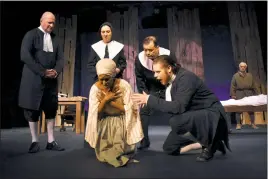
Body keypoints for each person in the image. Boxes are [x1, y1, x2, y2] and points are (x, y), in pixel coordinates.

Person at [132, 55, 231, 162]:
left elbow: (178, 107)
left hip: (212, 116)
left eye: (158, 72)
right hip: (195, 116)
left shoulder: (186, 78)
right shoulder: (172, 81)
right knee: (169, 148)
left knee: (176, 122)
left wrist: (149, 99)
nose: (155, 75)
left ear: (169, 69)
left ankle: (211, 143)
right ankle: (207, 141)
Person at [18, 12, 65, 153]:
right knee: (32, 110)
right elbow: (25, 55)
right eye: (49, 22)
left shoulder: (55, 39)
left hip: (51, 81)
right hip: (34, 79)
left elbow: (61, 59)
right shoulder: (31, 35)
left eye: (53, 23)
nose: (51, 25)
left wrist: (56, 71)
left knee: (51, 109)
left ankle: (51, 141)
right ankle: (34, 141)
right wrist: (42, 71)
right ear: (41, 21)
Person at [85, 59, 144, 168]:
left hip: (121, 121)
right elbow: (95, 113)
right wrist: (105, 100)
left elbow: (129, 108)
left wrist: (112, 102)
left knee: (119, 149)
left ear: (113, 76)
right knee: (105, 151)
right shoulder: (95, 89)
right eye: (101, 79)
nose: (104, 83)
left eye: (107, 79)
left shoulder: (124, 85)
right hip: (104, 122)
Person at [135, 36, 173, 150]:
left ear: (157, 48)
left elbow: (175, 73)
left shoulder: (168, 55)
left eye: (151, 50)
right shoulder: (140, 58)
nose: (148, 53)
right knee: (144, 111)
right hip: (152, 89)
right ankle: (144, 141)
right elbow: (139, 78)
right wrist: (144, 95)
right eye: (145, 50)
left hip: (169, 86)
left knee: (178, 109)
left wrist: (174, 90)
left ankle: (182, 137)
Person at [87, 22, 126, 89]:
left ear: (111, 33)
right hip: (99, 82)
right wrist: (100, 74)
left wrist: (118, 70)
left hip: (115, 82)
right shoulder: (95, 47)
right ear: (100, 33)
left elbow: (123, 63)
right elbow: (90, 65)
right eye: (103, 32)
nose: (105, 34)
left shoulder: (118, 46)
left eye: (108, 32)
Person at [230, 62, 259, 130]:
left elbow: (254, 85)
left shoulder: (250, 75)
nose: (242, 68)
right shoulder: (235, 76)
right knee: (238, 110)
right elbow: (232, 86)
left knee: (251, 109)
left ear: (246, 67)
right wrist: (233, 95)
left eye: (244, 66)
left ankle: (253, 124)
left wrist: (257, 94)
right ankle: (238, 124)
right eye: (241, 66)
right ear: (239, 67)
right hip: (239, 93)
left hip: (249, 93)